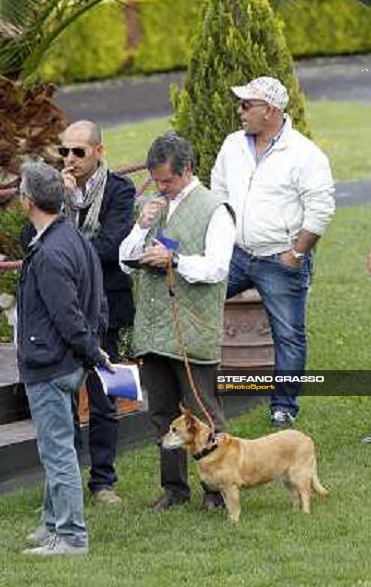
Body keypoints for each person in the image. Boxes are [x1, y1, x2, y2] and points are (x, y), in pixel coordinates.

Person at [119, 132, 236, 512]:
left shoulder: (215, 209)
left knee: (203, 410)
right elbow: (124, 261)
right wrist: (140, 227)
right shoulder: (154, 208)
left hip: (193, 328)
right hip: (153, 331)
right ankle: (174, 488)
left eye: (168, 180)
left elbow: (217, 267)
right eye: (157, 182)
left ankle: (217, 490)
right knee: (162, 415)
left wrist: (176, 262)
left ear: (186, 170)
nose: (162, 188)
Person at [211, 76, 335, 429]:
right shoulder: (233, 144)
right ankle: (197, 391)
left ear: (271, 111)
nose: (239, 111)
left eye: (246, 105)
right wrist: (221, 240)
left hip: (280, 258)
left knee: (289, 334)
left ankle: (283, 407)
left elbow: (321, 209)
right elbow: (218, 190)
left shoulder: (305, 154)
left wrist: (296, 253)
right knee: (196, 301)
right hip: (235, 254)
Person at [21, 120, 135, 505]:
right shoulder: (52, 191)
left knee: (106, 397)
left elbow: (108, 247)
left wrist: (63, 219)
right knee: (63, 399)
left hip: (106, 311)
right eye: (64, 152)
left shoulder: (120, 190)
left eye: (78, 152)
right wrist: (64, 203)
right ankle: (66, 479)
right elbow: (32, 240)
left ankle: (104, 480)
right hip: (62, 317)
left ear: (99, 152)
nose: (69, 160)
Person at [17, 162, 112, 556]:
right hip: (68, 362)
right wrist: (93, 352)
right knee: (58, 446)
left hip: (53, 364)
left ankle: (70, 535)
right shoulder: (72, 237)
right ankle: (51, 523)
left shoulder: (51, 252)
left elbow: (68, 316)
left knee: (56, 450)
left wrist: (93, 353)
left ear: (27, 201)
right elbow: (98, 302)